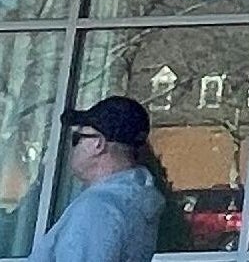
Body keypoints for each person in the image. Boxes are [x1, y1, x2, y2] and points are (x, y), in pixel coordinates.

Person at [32, 99, 163, 262]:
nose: (72, 147)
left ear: (98, 144)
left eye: (76, 138)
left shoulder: (98, 208)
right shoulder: (135, 200)